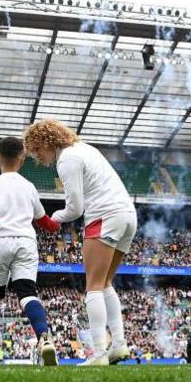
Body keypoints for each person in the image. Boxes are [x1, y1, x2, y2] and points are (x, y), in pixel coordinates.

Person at [25, 119, 137, 365]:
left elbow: (75, 208)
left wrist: (55, 218)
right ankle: (118, 344)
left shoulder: (66, 160)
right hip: (127, 216)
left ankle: (98, 354)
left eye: (37, 150)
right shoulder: (86, 149)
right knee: (106, 282)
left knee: (94, 285)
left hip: (104, 216)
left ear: (46, 141)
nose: (38, 158)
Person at [0, 136, 60, 366]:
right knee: (28, 294)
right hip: (26, 242)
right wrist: (59, 222)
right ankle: (44, 338)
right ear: (22, 159)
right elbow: (44, 220)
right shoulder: (28, 186)